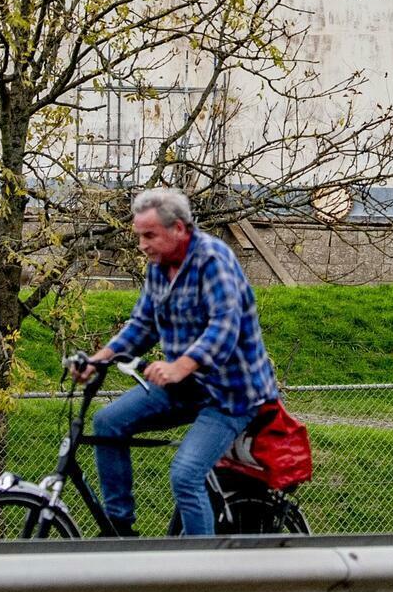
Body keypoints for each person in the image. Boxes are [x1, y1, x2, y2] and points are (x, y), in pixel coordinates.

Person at [75, 186, 282, 538]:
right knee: (108, 422)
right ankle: (119, 530)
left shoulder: (214, 261)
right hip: (185, 387)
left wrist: (179, 366)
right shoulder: (159, 268)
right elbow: (142, 325)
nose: (142, 244)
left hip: (231, 394)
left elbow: (224, 328)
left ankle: (197, 574)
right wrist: (99, 359)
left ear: (179, 230)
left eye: (149, 235)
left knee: (186, 474)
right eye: (139, 235)